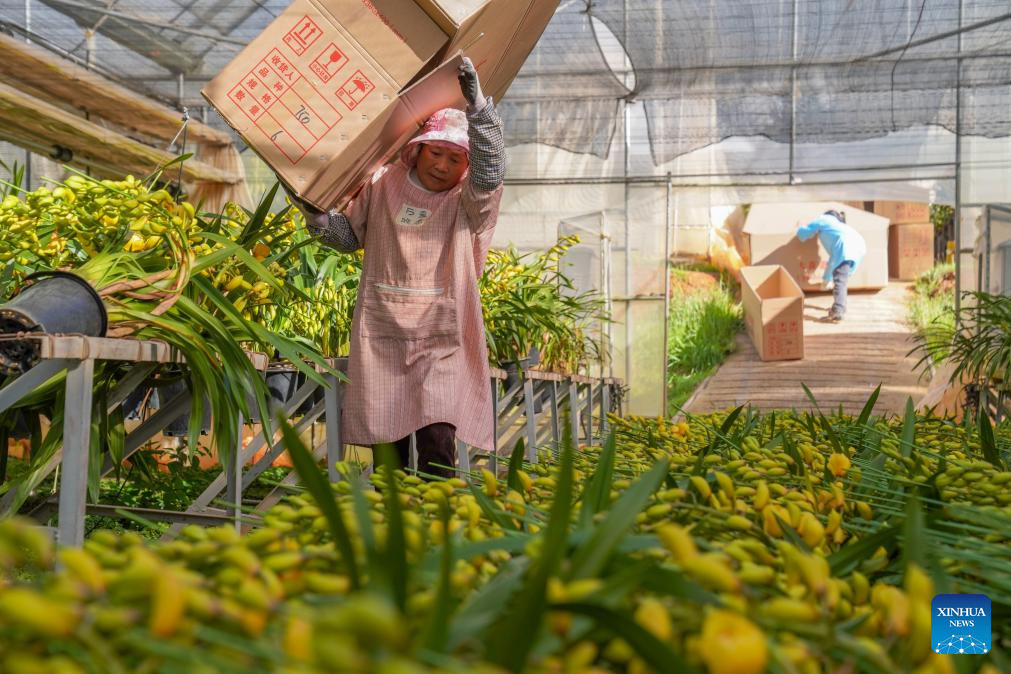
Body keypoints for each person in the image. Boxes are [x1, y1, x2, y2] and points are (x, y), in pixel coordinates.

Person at [287, 57, 505, 478]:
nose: (442, 166)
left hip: (442, 334)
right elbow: (350, 237)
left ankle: (437, 512)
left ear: (467, 165)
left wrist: (479, 108)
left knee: (438, 435)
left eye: (455, 159)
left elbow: (491, 173)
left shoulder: (469, 201)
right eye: (436, 153)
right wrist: (318, 219)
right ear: (418, 149)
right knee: (387, 444)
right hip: (383, 330)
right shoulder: (383, 182)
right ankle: (391, 514)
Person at [796, 209, 866, 322]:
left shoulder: (824, 219)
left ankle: (838, 310)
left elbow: (803, 234)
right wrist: (827, 279)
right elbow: (833, 260)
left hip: (846, 248)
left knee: (840, 280)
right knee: (842, 278)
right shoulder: (839, 227)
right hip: (858, 246)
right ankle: (840, 307)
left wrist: (799, 228)